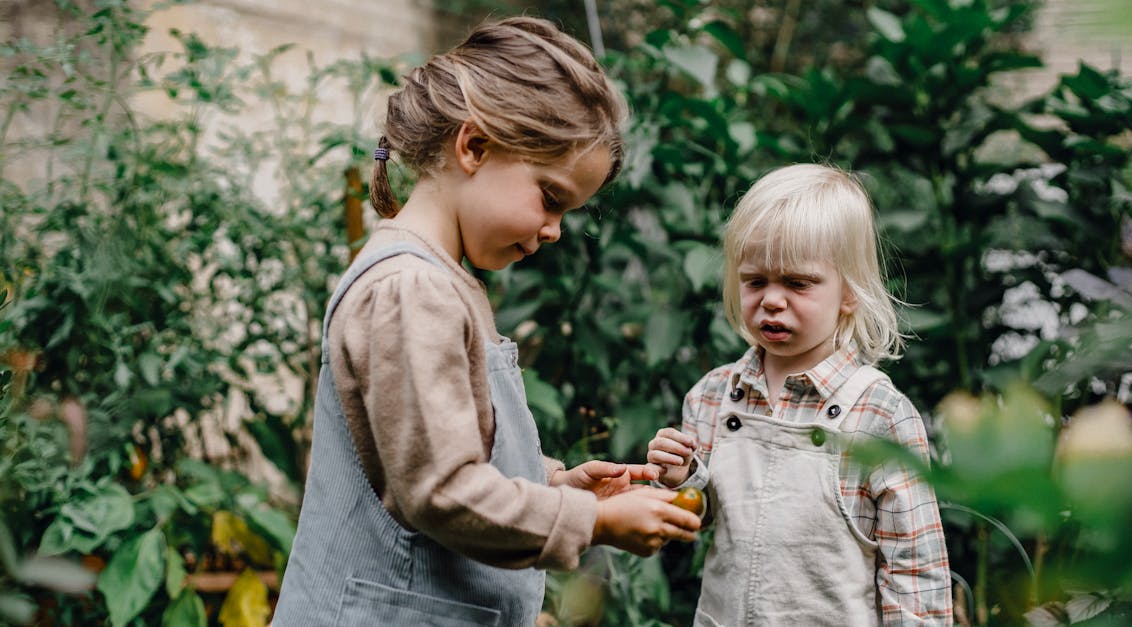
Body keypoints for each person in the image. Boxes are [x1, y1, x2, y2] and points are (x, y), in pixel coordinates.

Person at [274, 17, 700, 626]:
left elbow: (449, 447)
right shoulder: (409, 290)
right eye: (550, 197)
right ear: (473, 147)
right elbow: (442, 490)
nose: (554, 229)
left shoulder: (441, 282)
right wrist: (596, 523)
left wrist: (559, 487)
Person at [646, 164, 952, 626]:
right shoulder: (714, 395)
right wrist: (681, 478)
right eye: (755, 281)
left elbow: (915, 568)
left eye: (797, 283)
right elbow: (704, 518)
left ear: (849, 292)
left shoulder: (878, 414)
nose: (771, 300)